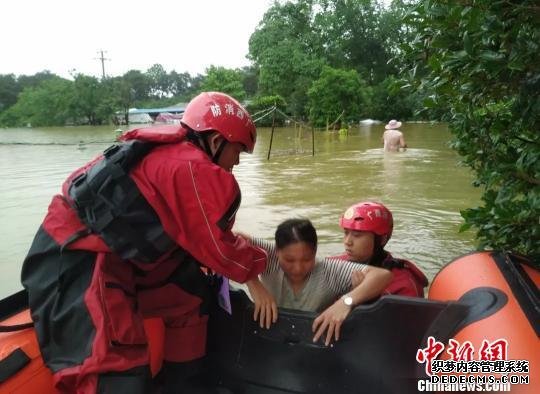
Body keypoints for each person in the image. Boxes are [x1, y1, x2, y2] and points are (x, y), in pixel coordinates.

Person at [20, 92, 274, 394]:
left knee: (190, 294)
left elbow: (194, 238)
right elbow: (219, 247)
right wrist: (257, 279)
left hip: (123, 258)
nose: (237, 162)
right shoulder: (195, 169)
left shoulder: (174, 155)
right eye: (238, 152)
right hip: (80, 260)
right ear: (217, 142)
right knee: (113, 367)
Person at [242, 218, 393, 346]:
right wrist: (251, 280)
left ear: (315, 252)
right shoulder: (267, 256)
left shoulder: (329, 270)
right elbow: (231, 240)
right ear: (276, 251)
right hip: (270, 336)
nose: (298, 268)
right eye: (289, 260)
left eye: (307, 259)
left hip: (313, 342)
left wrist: (346, 302)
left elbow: (382, 275)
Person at [334, 201, 428, 297]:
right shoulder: (335, 265)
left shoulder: (404, 284)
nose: (347, 242)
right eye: (346, 233)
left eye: (357, 235)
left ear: (382, 239)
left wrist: (361, 296)